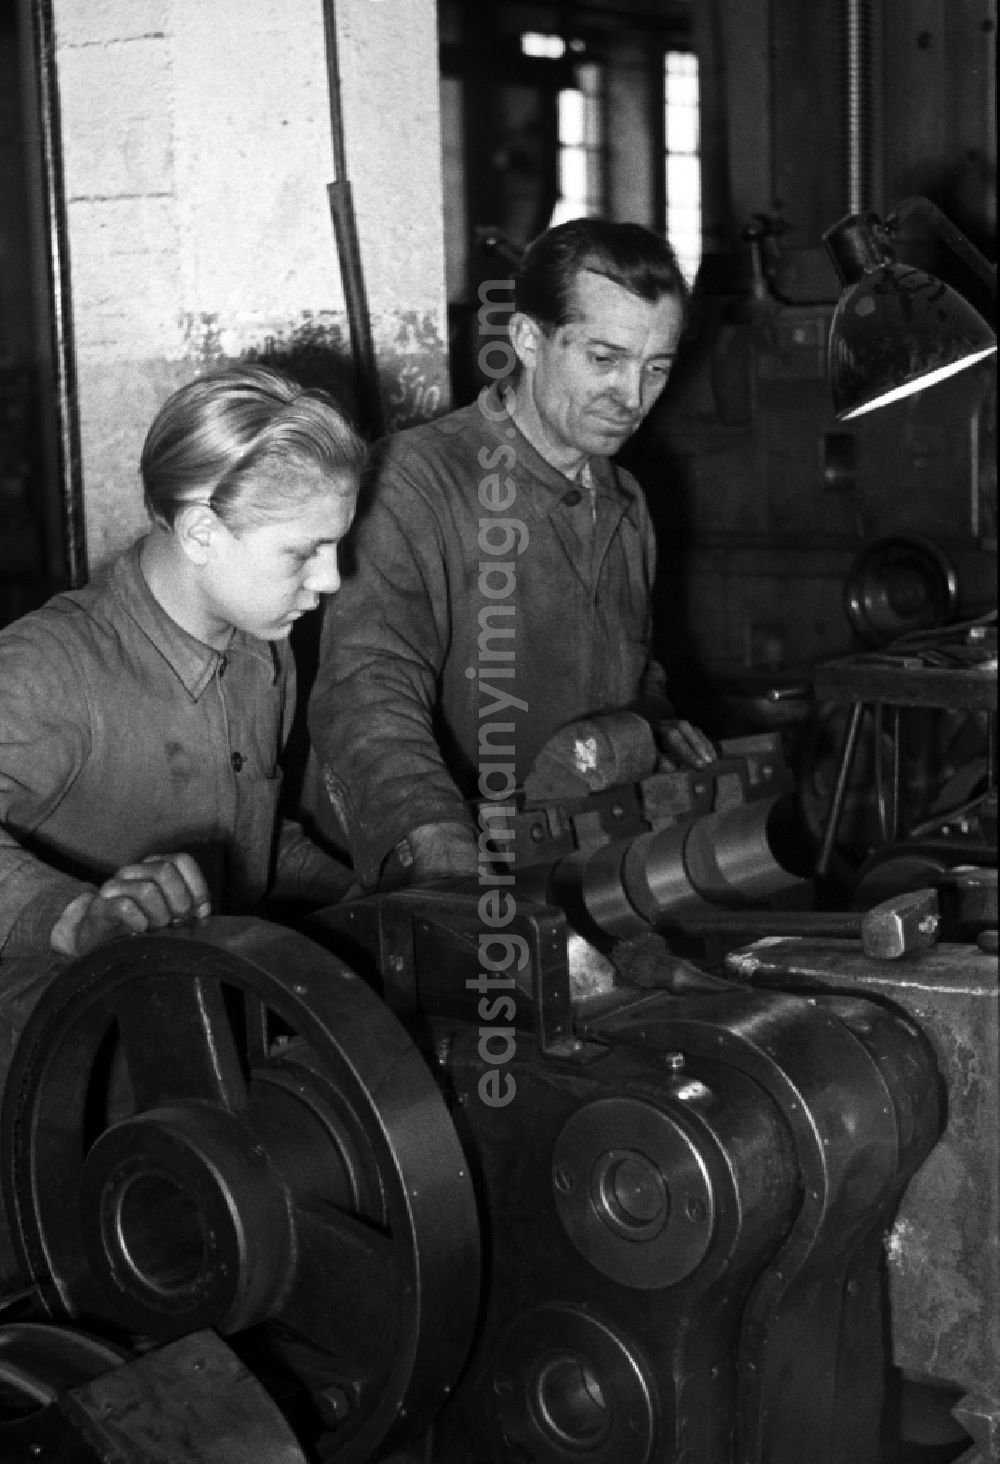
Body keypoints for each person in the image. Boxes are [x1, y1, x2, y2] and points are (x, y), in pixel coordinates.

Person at [308, 218, 715, 890]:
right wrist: (433, 843)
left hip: (574, 867)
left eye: (656, 368)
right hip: (438, 877)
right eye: (605, 360)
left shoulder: (627, 501)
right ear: (528, 339)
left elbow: (634, 667)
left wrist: (656, 726)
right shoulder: (415, 481)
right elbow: (367, 687)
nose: (633, 397)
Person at [0, 363, 364, 966]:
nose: (330, 578)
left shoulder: (261, 652)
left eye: (335, 545)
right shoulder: (50, 667)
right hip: (57, 1047)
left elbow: (253, 851)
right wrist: (73, 918)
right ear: (200, 533)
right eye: (303, 551)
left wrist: (378, 899)